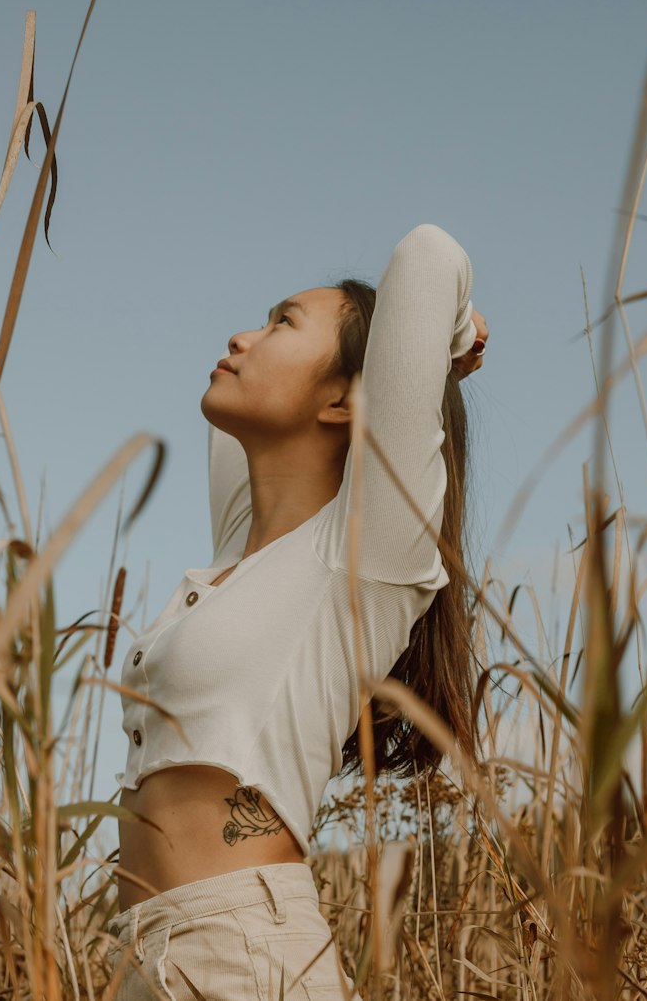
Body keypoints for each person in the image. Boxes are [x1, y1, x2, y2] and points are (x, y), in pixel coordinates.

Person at [108, 223, 488, 999]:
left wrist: (447, 338)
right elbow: (233, 435)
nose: (242, 336)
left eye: (281, 322)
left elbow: (427, 256)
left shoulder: (370, 554)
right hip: (145, 954)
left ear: (348, 398)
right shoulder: (239, 552)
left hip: (246, 955)